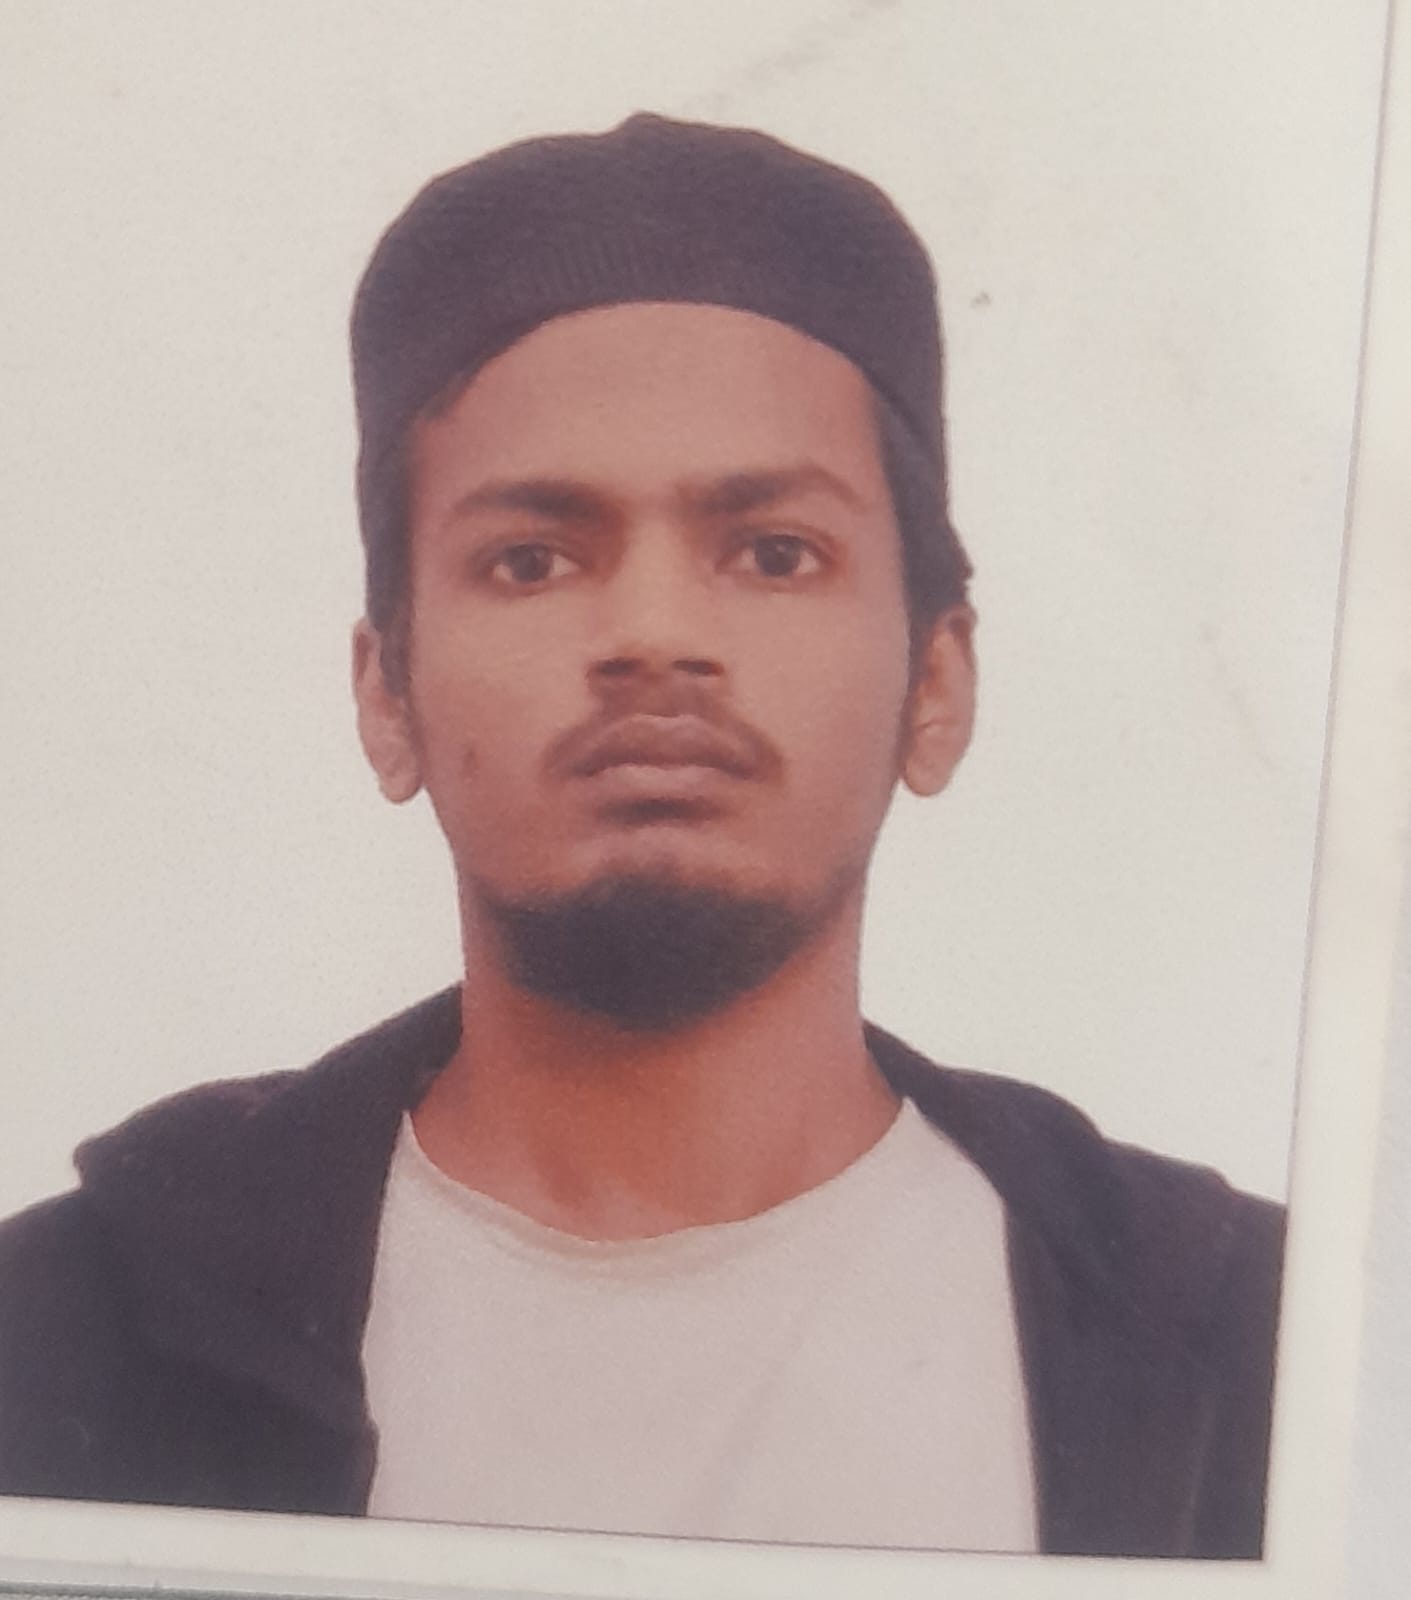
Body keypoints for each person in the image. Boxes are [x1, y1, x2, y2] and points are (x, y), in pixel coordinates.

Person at [0, 114, 1283, 1558]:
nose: (656, 635)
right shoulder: (58, 1340)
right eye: (532, 560)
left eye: (775, 553)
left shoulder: (1258, 1344)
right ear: (387, 693)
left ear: (935, 683)